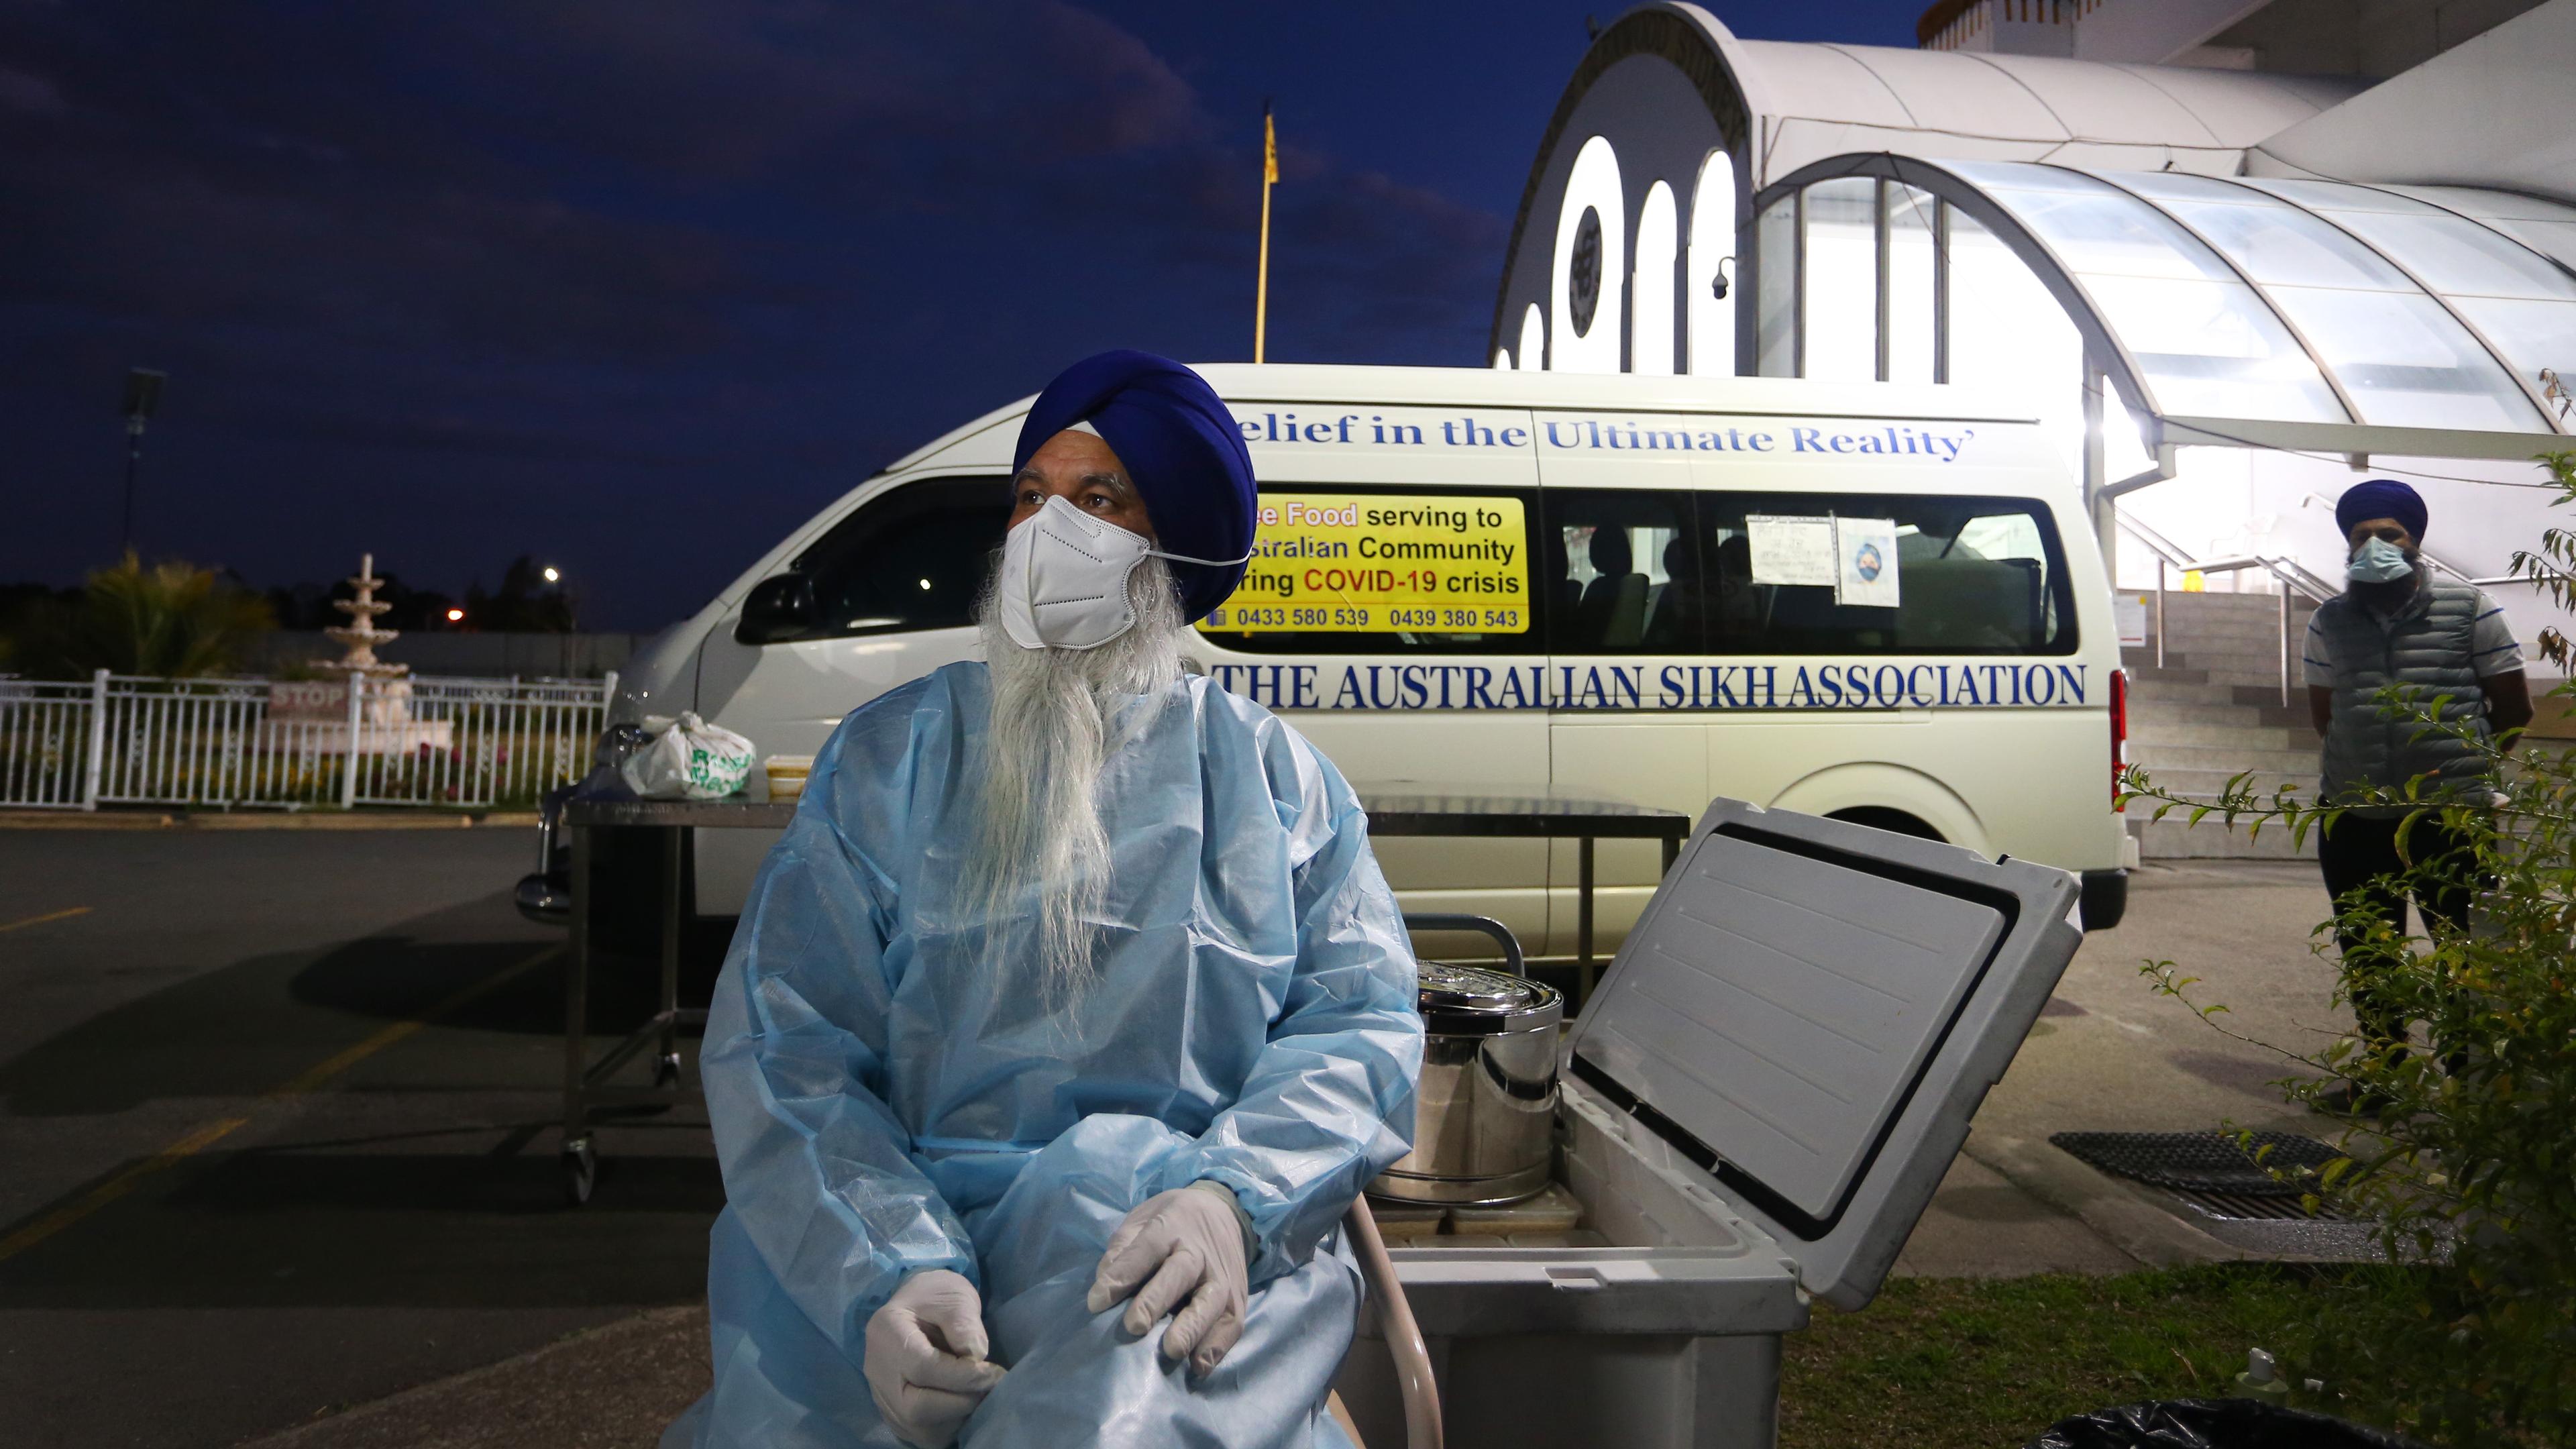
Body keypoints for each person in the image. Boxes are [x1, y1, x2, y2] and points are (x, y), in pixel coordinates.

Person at [661, 352, 1424, 1448]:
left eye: (1098, 498)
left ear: (1173, 546)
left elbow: (1356, 1028)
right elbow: (790, 1045)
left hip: (1169, 1252)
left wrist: (1235, 1201)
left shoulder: (1274, 782)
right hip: (907, 1221)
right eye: (1030, 497)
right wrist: (883, 1272)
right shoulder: (892, 759)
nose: (1045, 530)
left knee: (1117, 1422)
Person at [2301, 479, 2530, 1116]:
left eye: (2390, 535)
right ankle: (2384, 1076)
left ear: (2415, 541)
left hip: (2448, 816)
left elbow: (2513, 706)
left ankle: (2472, 1084)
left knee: (2463, 949)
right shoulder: (2329, 620)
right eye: (2362, 537)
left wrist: (2470, 776)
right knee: (2370, 950)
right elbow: (2327, 716)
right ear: (2347, 548)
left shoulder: (2469, 608)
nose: (2376, 547)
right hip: (2355, 816)